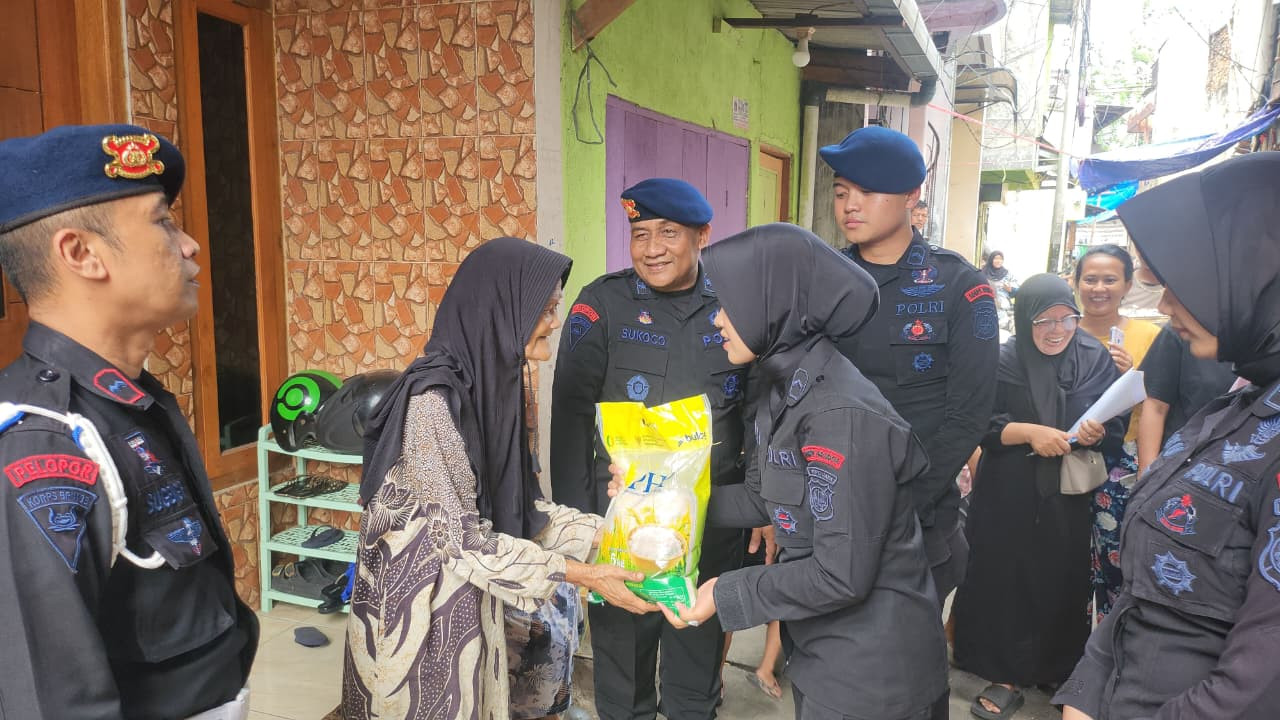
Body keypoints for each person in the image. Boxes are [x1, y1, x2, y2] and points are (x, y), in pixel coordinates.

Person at [627, 222, 949, 719]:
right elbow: (766, 498)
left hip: (873, 675)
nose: (716, 320)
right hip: (824, 653)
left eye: (727, 304)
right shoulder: (783, 385)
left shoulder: (838, 416)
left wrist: (725, 591)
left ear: (771, 304)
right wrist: (658, 493)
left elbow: (840, 576)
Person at [0, 125, 258, 718]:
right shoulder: (46, 441)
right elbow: (54, 700)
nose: (190, 245)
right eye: (163, 221)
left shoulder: (129, 402)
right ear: (81, 254)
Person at [344, 237, 657, 720]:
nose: (554, 321)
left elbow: (522, 511)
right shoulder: (434, 403)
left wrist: (620, 530)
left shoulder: (500, 383)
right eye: (546, 309)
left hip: (477, 596)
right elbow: (463, 539)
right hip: (424, 619)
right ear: (502, 309)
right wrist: (583, 574)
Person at [1056, 152, 1280, 720]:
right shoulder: (1235, 407)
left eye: (1184, 285)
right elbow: (1139, 592)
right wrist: (1084, 695)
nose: (1163, 305)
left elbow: (1258, 680)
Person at [549, 177, 749, 720]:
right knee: (622, 668)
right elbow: (569, 418)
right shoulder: (602, 304)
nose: (652, 248)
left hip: (714, 522)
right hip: (620, 523)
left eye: (668, 233)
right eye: (640, 234)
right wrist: (577, 526)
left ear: (702, 235)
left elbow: (755, 410)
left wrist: (764, 507)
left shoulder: (737, 302)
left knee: (697, 661)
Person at [822, 126, 999, 605]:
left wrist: (902, 499)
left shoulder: (960, 287)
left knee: (900, 672)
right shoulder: (822, 278)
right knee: (818, 667)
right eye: (841, 193)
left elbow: (969, 414)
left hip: (913, 524)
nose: (850, 206)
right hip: (826, 511)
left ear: (911, 196)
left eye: (867, 192)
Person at [951, 274, 1124, 720]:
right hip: (1009, 490)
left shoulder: (1094, 357)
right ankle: (1002, 674)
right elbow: (978, 423)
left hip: (1068, 493)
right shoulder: (1003, 359)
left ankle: (1053, 666)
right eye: (1043, 320)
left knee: (1061, 577)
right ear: (1024, 318)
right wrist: (1030, 432)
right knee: (1004, 577)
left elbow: (1116, 428)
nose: (1056, 330)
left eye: (1067, 319)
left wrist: (1096, 432)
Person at [1071, 243, 1162, 619]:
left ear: (1127, 285)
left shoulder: (1149, 337)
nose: (1099, 288)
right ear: (1076, 283)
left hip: (1124, 461)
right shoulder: (1061, 332)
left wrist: (1128, 376)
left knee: (1116, 561)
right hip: (1069, 456)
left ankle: (1109, 643)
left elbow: (1160, 403)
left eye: (1110, 280)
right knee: (1068, 559)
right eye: (1090, 279)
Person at [1135, 325, 1237, 474]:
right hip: (1185, 463)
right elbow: (1156, 405)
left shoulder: (1265, 335)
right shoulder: (1179, 330)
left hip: (1249, 467)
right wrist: (1146, 475)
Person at [982, 251, 1018, 335]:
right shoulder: (983, 273)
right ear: (991, 260)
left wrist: (1010, 289)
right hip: (986, 308)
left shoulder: (1007, 274)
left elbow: (1017, 291)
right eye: (996, 258)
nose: (998, 261)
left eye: (1001, 259)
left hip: (1003, 311)